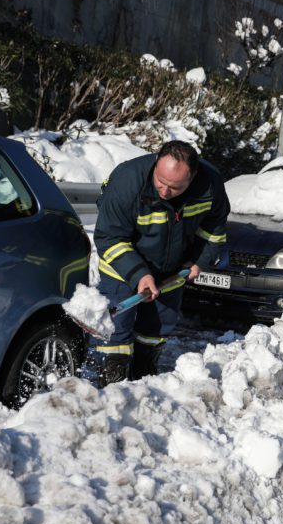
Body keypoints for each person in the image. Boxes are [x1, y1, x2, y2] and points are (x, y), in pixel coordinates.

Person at [93, 140, 229, 386]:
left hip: (171, 270)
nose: (165, 192)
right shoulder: (127, 181)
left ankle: (144, 376)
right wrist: (139, 274)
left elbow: (213, 231)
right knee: (117, 332)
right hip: (122, 267)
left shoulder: (210, 185)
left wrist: (199, 260)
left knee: (156, 327)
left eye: (175, 187)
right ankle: (111, 385)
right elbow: (109, 237)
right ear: (156, 164)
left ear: (192, 177)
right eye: (160, 182)